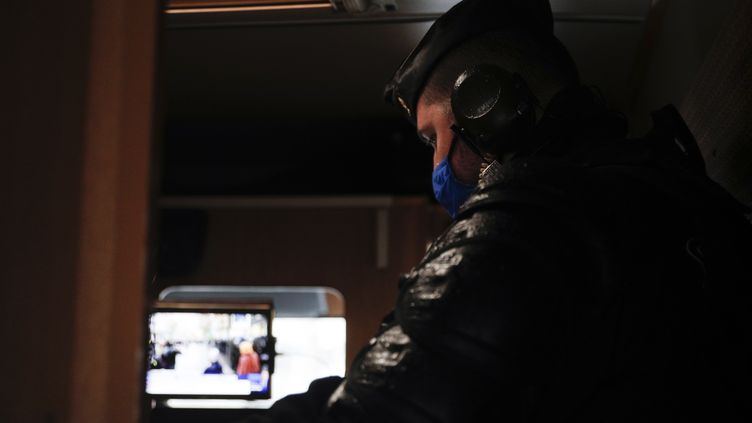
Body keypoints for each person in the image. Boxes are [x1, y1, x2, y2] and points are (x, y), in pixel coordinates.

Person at [251, 0, 752, 421]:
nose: (436, 164)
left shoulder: (530, 224)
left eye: (433, 137)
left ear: (484, 109)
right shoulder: (647, 186)